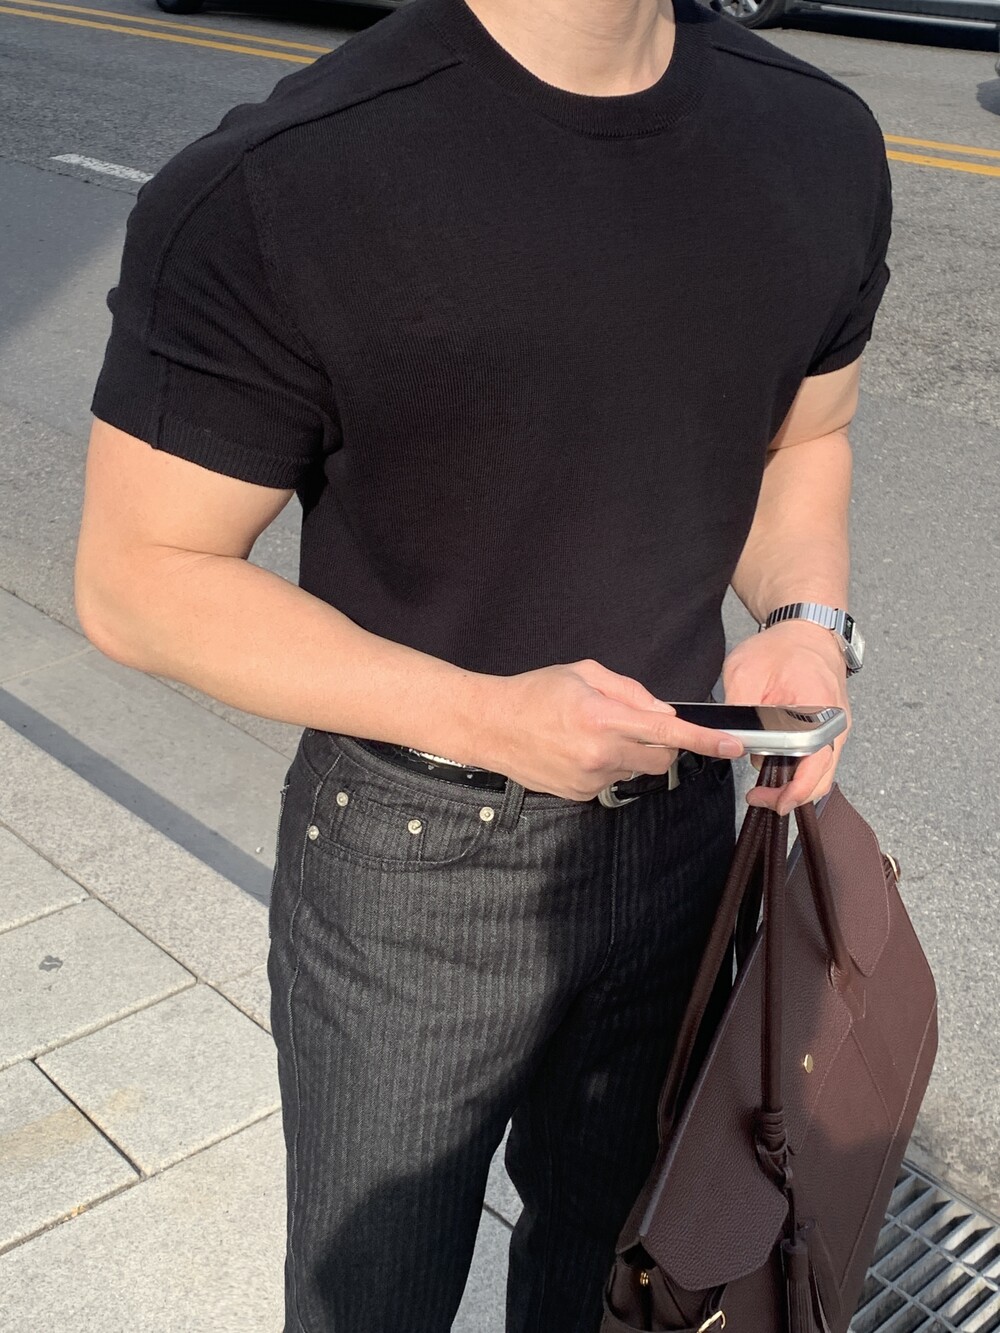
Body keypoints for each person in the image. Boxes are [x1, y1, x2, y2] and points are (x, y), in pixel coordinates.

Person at [75, 0, 890, 1327]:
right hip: (414, 858)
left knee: (616, 1280)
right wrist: (482, 715)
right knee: (374, 1301)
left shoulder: (816, 138)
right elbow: (138, 577)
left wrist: (804, 618)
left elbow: (806, 433)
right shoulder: (287, 182)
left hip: (682, 836)